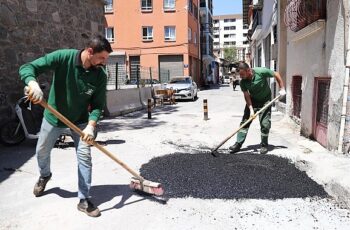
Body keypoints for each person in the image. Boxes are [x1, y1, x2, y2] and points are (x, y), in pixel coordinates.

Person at [19, 35, 112, 217]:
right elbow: (28, 67)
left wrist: (91, 126)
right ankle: (45, 175)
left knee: (85, 157)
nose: (104, 62)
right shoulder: (64, 57)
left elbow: (98, 105)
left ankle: (84, 199)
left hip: (80, 122)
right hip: (52, 118)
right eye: (102, 57)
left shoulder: (100, 75)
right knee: (42, 151)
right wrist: (32, 82)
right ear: (90, 52)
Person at [229, 62, 286, 155]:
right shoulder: (243, 82)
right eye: (240, 75)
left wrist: (282, 88)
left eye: (242, 74)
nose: (241, 76)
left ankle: (264, 145)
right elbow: (246, 96)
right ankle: (238, 144)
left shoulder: (261, 71)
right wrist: (251, 109)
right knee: (245, 122)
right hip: (253, 101)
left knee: (265, 124)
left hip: (265, 101)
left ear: (248, 70)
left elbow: (276, 74)